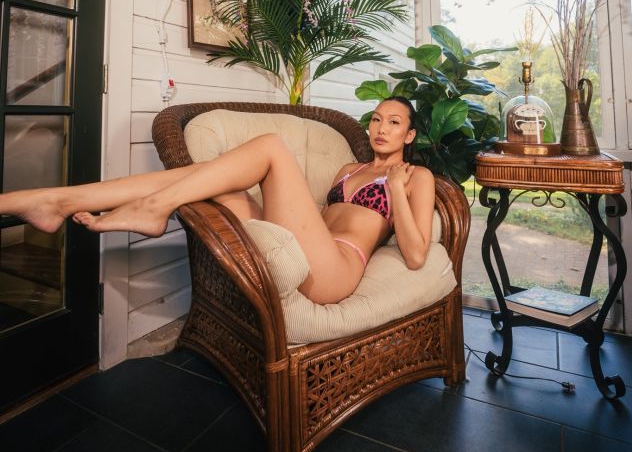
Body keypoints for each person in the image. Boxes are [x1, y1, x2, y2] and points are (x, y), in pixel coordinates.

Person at [0, 98, 435, 305]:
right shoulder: (348, 170)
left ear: (409, 135)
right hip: (308, 245)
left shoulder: (418, 178)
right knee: (207, 179)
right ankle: (55, 199)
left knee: (271, 147)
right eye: (376, 119)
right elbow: (318, 218)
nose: (381, 128)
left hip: (334, 272)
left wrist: (396, 189)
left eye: (394, 122)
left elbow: (416, 255)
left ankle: (154, 209)